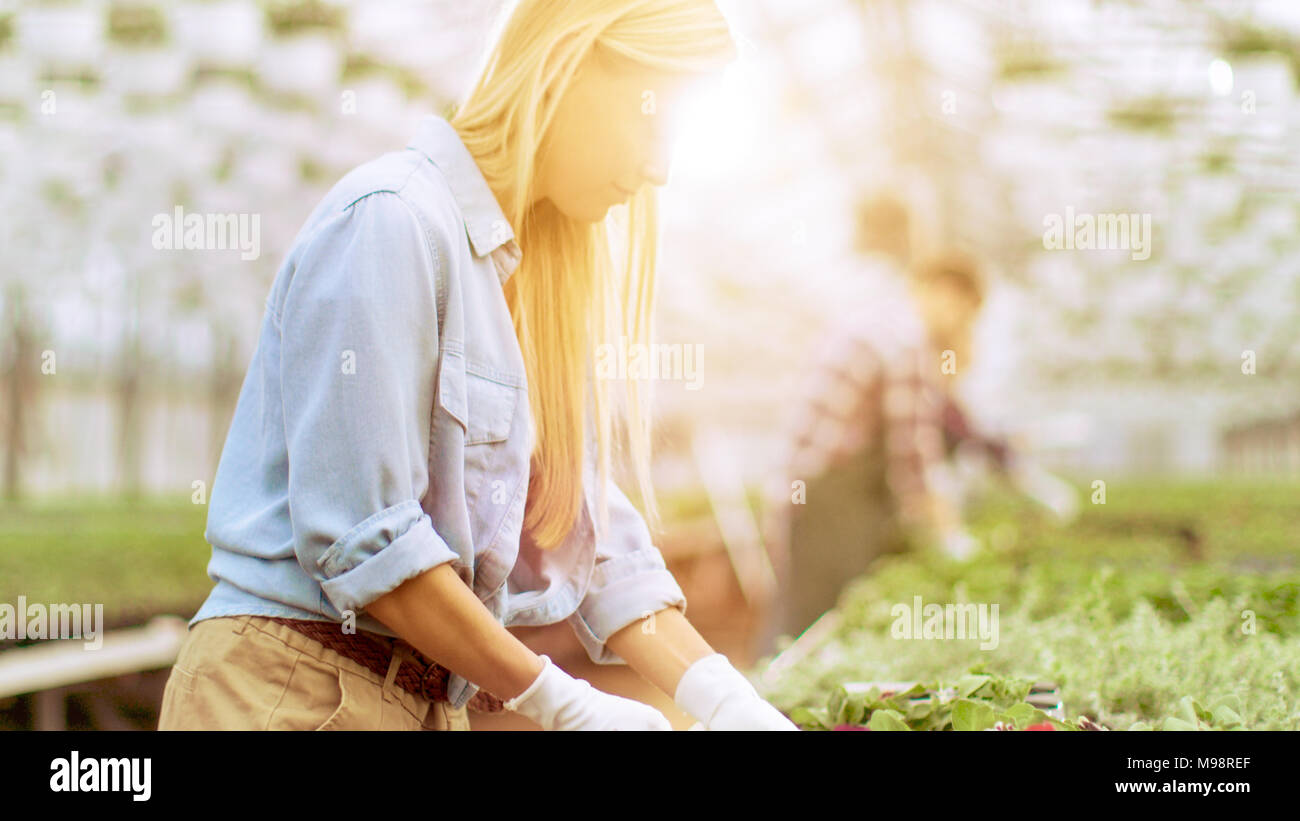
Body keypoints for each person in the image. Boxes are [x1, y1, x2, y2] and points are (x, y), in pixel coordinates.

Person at [158, 0, 795, 731]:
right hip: (293, 688)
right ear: (570, 67)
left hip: (418, 696)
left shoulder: (522, 280)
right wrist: (562, 700)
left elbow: (592, 539)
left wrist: (724, 698)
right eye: (653, 119)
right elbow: (366, 539)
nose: (659, 167)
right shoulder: (392, 221)